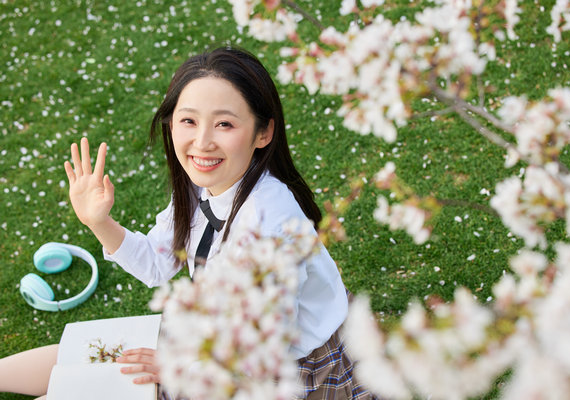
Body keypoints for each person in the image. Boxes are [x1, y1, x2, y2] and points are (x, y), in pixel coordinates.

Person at [0, 47, 375, 399]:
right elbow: (157, 264)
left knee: (92, 386)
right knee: (93, 351)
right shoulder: (206, 188)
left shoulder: (269, 224)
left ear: (264, 132)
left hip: (286, 370)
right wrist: (100, 222)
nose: (202, 141)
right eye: (188, 121)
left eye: (224, 124)